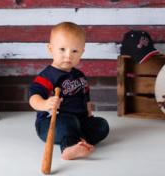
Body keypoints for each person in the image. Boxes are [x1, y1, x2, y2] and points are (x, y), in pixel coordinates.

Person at [28, 21, 110, 161]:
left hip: (79, 120)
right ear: (50, 49)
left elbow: (85, 96)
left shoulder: (79, 75)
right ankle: (68, 147)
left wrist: (88, 108)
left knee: (101, 125)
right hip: (51, 124)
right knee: (68, 122)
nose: (68, 55)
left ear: (82, 52)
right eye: (62, 49)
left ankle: (80, 140)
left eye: (74, 51)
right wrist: (45, 104)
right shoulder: (48, 76)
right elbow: (33, 98)